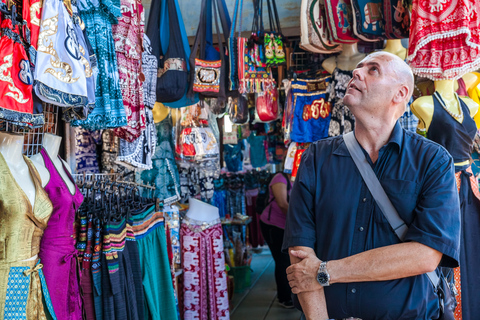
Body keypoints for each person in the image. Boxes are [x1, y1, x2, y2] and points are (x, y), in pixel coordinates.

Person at [283, 52, 461, 319]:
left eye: (373, 70)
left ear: (400, 93)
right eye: (358, 68)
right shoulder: (316, 158)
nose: (357, 72)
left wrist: (325, 272)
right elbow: (300, 253)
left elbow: (425, 255)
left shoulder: (432, 161)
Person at [259, 172, 294, 308]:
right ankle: (284, 297)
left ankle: (287, 294)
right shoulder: (280, 178)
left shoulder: (293, 179)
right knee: (282, 260)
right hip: (273, 225)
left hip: (284, 225)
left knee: (285, 260)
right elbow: (282, 204)